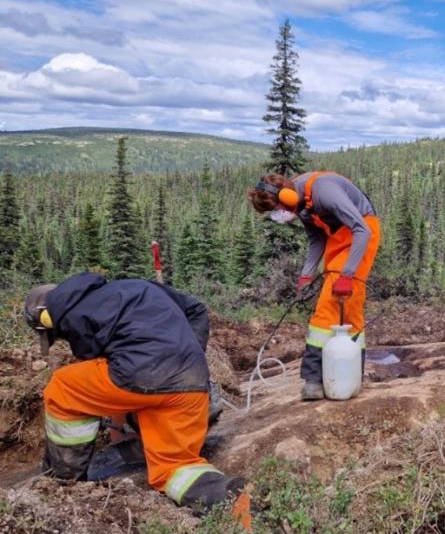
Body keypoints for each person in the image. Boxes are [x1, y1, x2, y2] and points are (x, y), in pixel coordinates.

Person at [23, 273, 245, 512]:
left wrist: (119, 426)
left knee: (63, 389)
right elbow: (196, 310)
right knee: (175, 470)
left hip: (143, 377)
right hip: (192, 381)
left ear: (46, 318)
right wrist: (186, 362)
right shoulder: (136, 286)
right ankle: (238, 498)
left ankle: (63, 478)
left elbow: (110, 381)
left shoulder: (72, 315)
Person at [248, 170, 381, 401]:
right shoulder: (301, 204)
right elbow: (317, 239)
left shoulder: (324, 192)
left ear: (288, 196)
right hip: (337, 237)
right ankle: (348, 374)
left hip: (361, 234)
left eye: (278, 208)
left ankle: (314, 379)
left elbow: (362, 230)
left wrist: (347, 274)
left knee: (331, 303)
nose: (279, 214)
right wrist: (306, 276)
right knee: (348, 306)